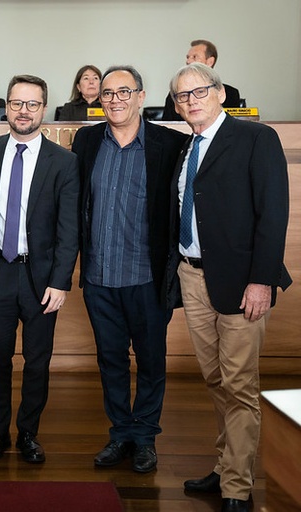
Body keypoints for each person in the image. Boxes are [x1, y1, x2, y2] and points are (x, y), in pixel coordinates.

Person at [169, 62, 291, 512]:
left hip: (242, 283)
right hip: (192, 276)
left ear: (220, 93)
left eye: (199, 91)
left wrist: (261, 280)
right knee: (217, 379)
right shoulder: (187, 148)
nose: (191, 100)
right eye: (182, 96)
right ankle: (226, 464)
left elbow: (273, 214)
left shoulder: (256, 139)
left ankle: (237, 486)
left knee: (240, 385)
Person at [71, 66, 187, 474]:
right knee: (111, 360)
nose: (115, 99)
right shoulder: (86, 140)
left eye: (124, 91)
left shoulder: (171, 144)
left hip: (148, 277)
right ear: (98, 99)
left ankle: (145, 438)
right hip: (100, 276)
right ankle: (120, 432)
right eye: (107, 93)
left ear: (141, 96)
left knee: (152, 361)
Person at [0, 74, 79, 464]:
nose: (24, 111)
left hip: (41, 278)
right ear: (7, 106)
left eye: (32, 104)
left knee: (37, 361)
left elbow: (70, 229)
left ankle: (29, 433)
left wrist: (61, 281)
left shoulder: (64, 162)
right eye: (17, 103)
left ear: (44, 109)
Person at [161, 39, 241, 121]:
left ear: (210, 62)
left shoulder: (230, 94)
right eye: (188, 57)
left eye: (195, 57)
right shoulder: (175, 94)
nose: (188, 61)